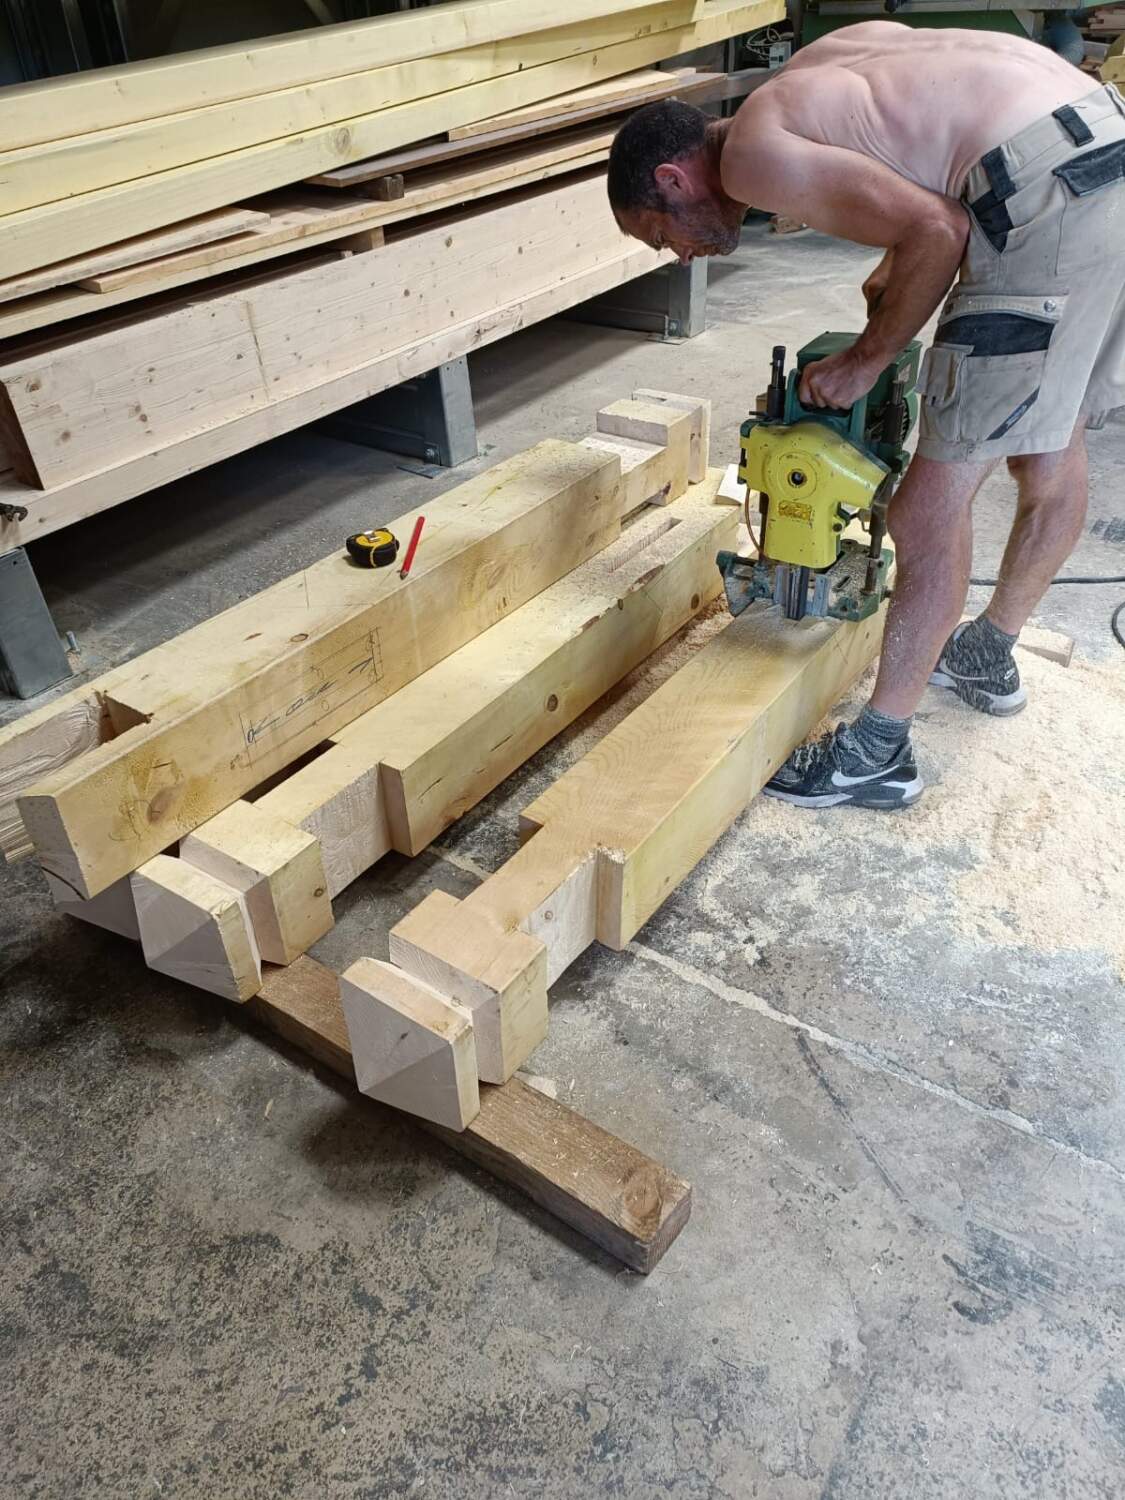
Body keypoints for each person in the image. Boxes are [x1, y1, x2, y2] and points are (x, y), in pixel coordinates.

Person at [607, 21, 1124, 809]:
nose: (679, 254)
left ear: (674, 180)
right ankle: (985, 654)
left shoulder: (749, 158)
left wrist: (865, 360)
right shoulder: (813, 73)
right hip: (1102, 146)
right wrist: (891, 273)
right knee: (1048, 444)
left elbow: (938, 229)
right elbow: (927, 170)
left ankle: (877, 754)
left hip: (1041, 196)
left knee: (923, 513)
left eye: (659, 234)